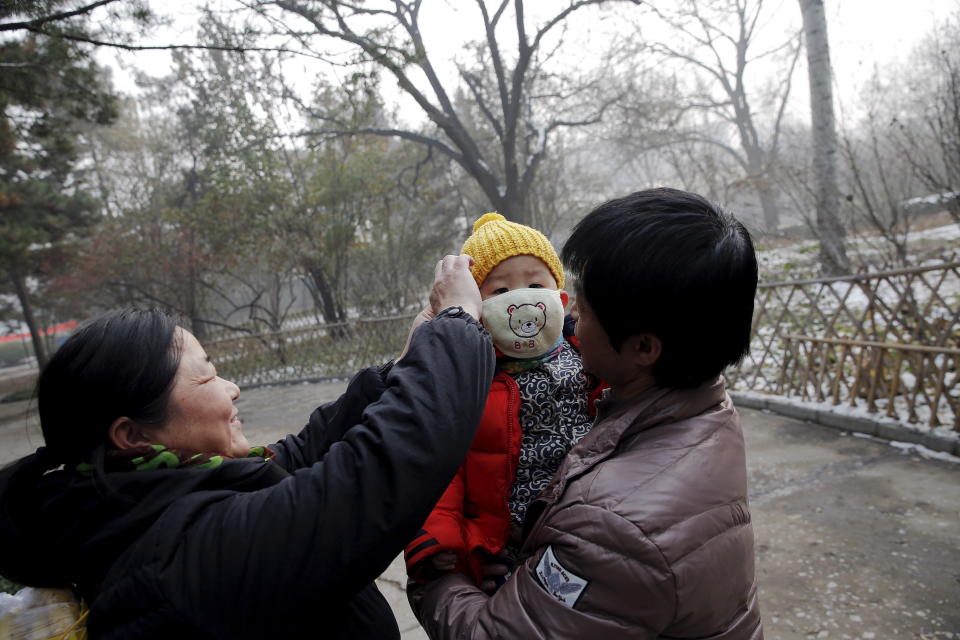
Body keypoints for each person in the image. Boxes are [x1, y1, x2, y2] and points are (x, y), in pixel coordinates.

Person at [0, 255, 495, 639]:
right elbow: (372, 477)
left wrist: (402, 367)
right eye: (208, 375)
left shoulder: (136, 500)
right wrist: (457, 323)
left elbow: (298, 459)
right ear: (131, 436)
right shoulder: (177, 557)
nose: (232, 388)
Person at [411, 188, 764, 639]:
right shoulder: (702, 406)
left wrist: (435, 580)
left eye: (585, 306)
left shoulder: (608, 528)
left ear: (642, 348)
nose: (570, 312)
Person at [404, 213, 604, 589]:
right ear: (474, 308)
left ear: (559, 296)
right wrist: (441, 534)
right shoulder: (471, 377)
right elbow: (442, 466)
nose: (522, 299)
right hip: (509, 537)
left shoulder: (587, 350)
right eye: (500, 292)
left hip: (590, 514)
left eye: (535, 282)